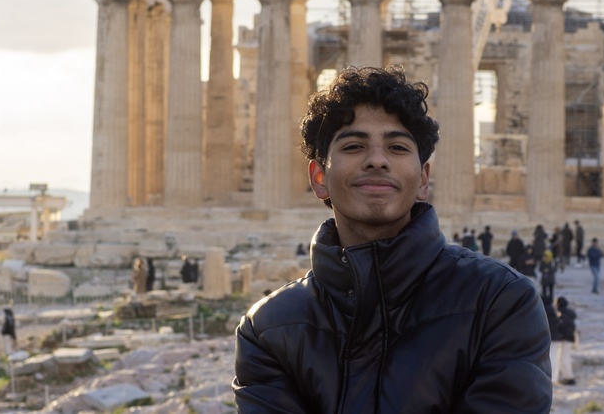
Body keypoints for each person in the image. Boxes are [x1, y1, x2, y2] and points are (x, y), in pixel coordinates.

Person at [232, 66, 551, 412]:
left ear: (423, 179)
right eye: (354, 146)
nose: (377, 161)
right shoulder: (267, 328)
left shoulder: (500, 302)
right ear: (319, 177)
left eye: (397, 147)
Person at [550, 296, 577, 386]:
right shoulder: (568, 313)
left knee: (563, 359)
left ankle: (569, 378)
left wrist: (560, 334)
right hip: (569, 338)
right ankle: (567, 377)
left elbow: (565, 327)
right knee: (563, 358)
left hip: (566, 339)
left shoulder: (563, 314)